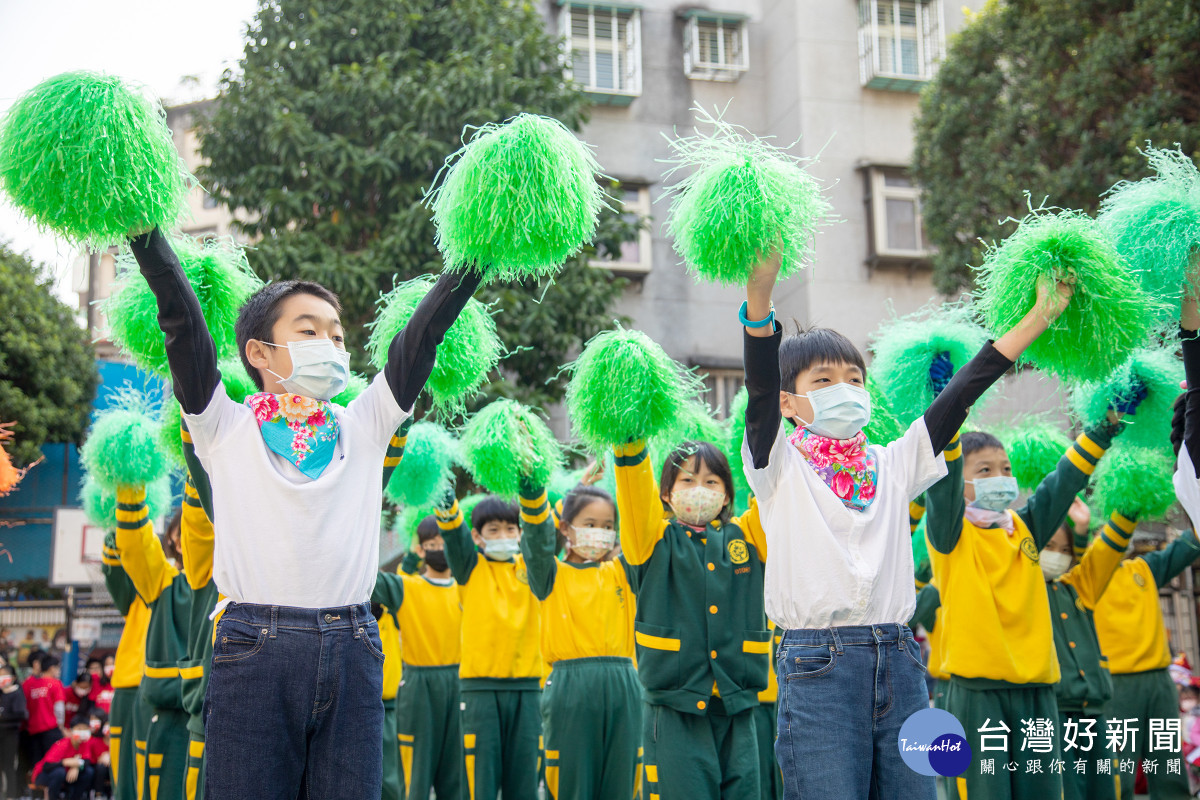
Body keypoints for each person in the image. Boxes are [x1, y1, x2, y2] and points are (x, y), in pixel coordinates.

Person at [128, 222, 485, 800]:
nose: (333, 344)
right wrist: (145, 235)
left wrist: (476, 257)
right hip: (252, 646)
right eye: (310, 329)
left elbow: (422, 339)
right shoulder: (224, 423)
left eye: (338, 335)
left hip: (354, 644)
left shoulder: (363, 424)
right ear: (259, 351)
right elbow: (182, 326)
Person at [740, 246, 1074, 799]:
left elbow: (964, 392)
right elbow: (756, 387)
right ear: (791, 403)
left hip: (901, 661)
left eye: (854, 378)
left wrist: (1038, 318)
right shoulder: (776, 463)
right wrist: (759, 294)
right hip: (816, 666)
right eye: (824, 381)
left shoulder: (894, 462)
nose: (845, 389)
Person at [926, 401, 1126, 800]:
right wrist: (945, 412)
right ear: (958, 480)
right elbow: (941, 488)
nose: (1000, 478)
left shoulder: (1024, 526)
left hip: (1037, 689)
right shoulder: (951, 534)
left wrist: (1100, 432)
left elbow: (1062, 483)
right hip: (978, 693)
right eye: (984, 470)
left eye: (1005, 469)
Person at [612, 437, 768, 800]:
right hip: (674, 709)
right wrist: (628, 436)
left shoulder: (747, 537)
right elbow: (634, 492)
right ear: (665, 493)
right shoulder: (651, 539)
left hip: (737, 708)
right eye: (687, 480)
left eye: (712, 482)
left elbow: (771, 482)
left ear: (728, 495)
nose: (700, 489)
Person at [518, 479, 641, 800]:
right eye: (590, 524)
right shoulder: (550, 574)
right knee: (572, 782)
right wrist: (531, 484)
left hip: (624, 683)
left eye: (608, 526)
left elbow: (646, 528)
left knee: (624, 781)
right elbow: (536, 539)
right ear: (566, 529)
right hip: (570, 688)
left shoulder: (621, 572)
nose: (600, 532)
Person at [438, 491, 544, 800]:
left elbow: (548, 533)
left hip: (527, 689)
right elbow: (454, 534)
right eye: (493, 530)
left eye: (511, 529)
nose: (504, 536)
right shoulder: (470, 567)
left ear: (521, 532)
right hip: (480, 690)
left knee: (525, 782)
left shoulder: (533, 568)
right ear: (477, 536)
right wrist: (443, 490)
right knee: (479, 781)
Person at [372, 517, 463, 800]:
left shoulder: (468, 587)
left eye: (443, 543)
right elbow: (366, 577)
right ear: (420, 549)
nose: (438, 549)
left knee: (457, 774)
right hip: (417, 684)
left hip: (460, 682)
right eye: (430, 545)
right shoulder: (406, 587)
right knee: (415, 775)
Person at [113, 499, 191, 800]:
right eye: (179, 532)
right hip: (167, 716)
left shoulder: (231, 583)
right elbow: (134, 542)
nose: (185, 537)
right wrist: (130, 481)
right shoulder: (163, 581)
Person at [101, 529, 152, 800]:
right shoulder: (138, 589)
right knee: (125, 780)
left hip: (171, 691)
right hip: (130, 688)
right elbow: (115, 573)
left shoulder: (188, 584)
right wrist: (116, 532)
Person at [32, 720, 95, 800]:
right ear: (71, 732)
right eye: (78, 733)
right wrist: (65, 762)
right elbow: (47, 766)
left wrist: (76, 767)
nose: (81, 738)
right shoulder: (63, 744)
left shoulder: (84, 744)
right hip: (44, 775)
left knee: (89, 771)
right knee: (59, 772)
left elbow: (87, 761)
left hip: (67, 775)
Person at [23, 653, 64, 764]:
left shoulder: (32, 685)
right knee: (53, 762)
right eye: (58, 668)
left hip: (33, 729)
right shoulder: (55, 684)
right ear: (52, 668)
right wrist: (61, 725)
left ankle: (36, 781)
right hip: (51, 729)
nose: (58, 671)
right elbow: (59, 708)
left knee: (37, 763)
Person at [0, 664, 25, 799]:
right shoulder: (1, 693)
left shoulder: (16, 693)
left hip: (10, 734)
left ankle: (11, 795)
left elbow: (21, 714)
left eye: (4, 674)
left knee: (9, 766)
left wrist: (3, 717)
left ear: (13, 677)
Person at [83, 711, 112, 799]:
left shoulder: (120, 743)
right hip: (97, 771)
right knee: (101, 767)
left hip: (113, 770)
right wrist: (101, 759)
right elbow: (88, 759)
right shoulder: (94, 741)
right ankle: (98, 794)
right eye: (107, 725)